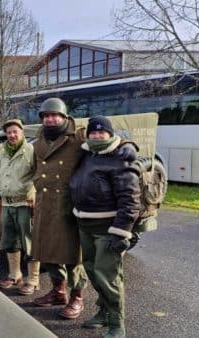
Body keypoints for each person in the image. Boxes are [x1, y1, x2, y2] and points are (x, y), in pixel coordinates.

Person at [69, 116, 141, 338]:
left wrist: (121, 231)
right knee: (92, 271)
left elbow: (130, 199)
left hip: (107, 229)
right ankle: (103, 312)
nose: (97, 135)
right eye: (93, 132)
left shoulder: (121, 156)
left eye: (102, 132)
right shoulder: (87, 154)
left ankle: (117, 324)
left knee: (108, 277)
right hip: (85, 225)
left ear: (110, 134)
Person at [31, 98, 89, 320]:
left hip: (69, 204)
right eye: (46, 116)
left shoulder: (78, 136)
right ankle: (58, 291)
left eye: (54, 115)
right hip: (44, 204)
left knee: (73, 255)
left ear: (65, 117)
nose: (50, 119)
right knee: (47, 251)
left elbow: (105, 141)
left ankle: (77, 296)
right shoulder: (38, 141)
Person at [0, 119, 39, 294]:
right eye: (9, 132)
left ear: (22, 132)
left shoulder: (31, 151)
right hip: (7, 203)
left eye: (15, 131)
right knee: (9, 240)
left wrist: (34, 193)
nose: (12, 135)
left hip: (24, 203)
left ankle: (33, 279)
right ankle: (15, 274)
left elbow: (39, 174)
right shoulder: (2, 152)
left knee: (29, 241)